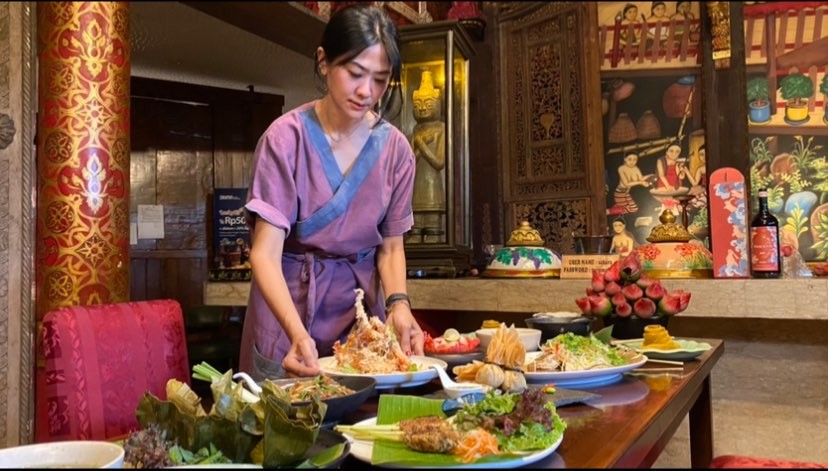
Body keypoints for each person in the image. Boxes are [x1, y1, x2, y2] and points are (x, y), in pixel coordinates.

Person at [239, 4, 424, 379]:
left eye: (380, 80)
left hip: (358, 313)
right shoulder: (285, 140)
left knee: (360, 426)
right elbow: (264, 254)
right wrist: (295, 331)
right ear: (323, 62)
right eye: (354, 73)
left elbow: (390, 248)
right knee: (284, 426)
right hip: (286, 310)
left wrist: (399, 305)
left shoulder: (396, 151)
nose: (365, 91)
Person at [408, 69, 447, 244]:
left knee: (432, 219)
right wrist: (418, 145)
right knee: (416, 218)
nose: (422, 108)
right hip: (417, 183)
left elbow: (439, 162)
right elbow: (410, 162)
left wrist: (422, 144)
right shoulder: (417, 129)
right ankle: (416, 233)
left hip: (432, 183)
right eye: (418, 105)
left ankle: (432, 234)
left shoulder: (440, 128)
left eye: (427, 104)